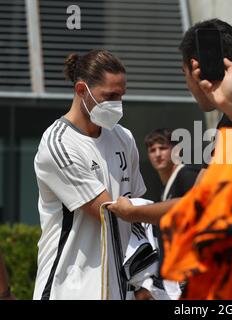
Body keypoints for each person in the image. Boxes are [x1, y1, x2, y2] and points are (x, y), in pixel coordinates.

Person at [109, 19, 232, 222]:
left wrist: (133, 213)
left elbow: (198, 200)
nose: (187, 85)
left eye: (184, 74)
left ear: (197, 67)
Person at [33, 50, 147, 300]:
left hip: (118, 289)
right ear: (81, 90)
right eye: (110, 96)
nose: (117, 104)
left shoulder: (123, 137)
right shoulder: (58, 145)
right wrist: (177, 212)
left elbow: (137, 216)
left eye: (121, 95)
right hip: (69, 288)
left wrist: (144, 280)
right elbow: (109, 214)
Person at [134, 129, 200, 300]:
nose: (157, 154)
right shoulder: (164, 188)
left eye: (163, 148)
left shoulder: (187, 176)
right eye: (152, 150)